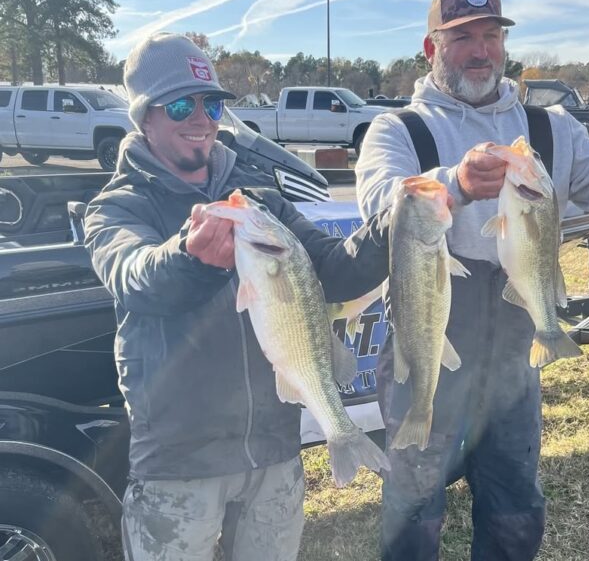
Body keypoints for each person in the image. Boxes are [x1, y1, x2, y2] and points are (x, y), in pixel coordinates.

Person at [355, 0, 589, 561]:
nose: (481, 51)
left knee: (514, 501)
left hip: (515, 339)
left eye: (491, 36)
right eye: (462, 38)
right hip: (430, 332)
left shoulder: (552, 126)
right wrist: (454, 184)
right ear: (431, 49)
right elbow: (381, 203)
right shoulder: (398, 129)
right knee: (414, 503)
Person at [84, 32, 390, 561]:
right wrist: (191, 257)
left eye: (212, 103)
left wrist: (395, 224)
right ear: (144, 117)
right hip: (180, 463)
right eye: (180, 105)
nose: (201, 118)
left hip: (274, 452)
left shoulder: (259, 199)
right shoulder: (116, 208)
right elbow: (137, 278)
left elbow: (334, 269)